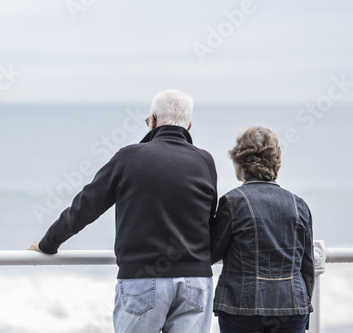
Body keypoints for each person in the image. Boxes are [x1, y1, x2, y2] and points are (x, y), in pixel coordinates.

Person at [28, 89, 218, 333]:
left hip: (143, 279)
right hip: (196, 282)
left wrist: (47, 244)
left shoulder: (130, 157)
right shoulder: (205, 161)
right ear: (189, 126)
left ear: (153, 120)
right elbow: (210, 218)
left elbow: (86, 205)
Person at [210, 126, 314, 333]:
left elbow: (211, 252)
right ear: (276, 162)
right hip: (292, 307)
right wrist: (302, 305)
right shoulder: (299, 204)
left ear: (240, 163)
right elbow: (307, 266)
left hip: (241, 307)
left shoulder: (232, 202)